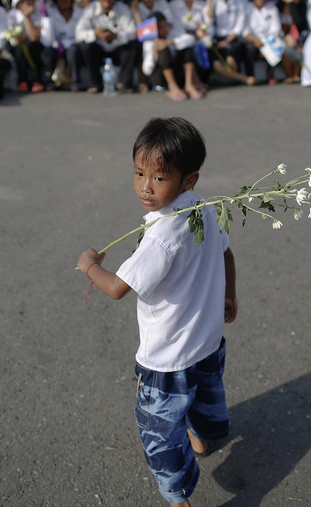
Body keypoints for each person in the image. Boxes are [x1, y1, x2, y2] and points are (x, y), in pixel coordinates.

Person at [76, 116, 237, 507]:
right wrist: (229, 295)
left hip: (166, 360)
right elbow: (226, 252)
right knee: (204, 394)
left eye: (159, 178)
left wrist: (89, 265)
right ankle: (201, 436)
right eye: (138, 173)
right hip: (206, 339)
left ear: (188, 180)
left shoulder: (162, 236)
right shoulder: (207, 209)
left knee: (159, 434)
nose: (145, 187)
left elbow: (116, 288)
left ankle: (179, 498)